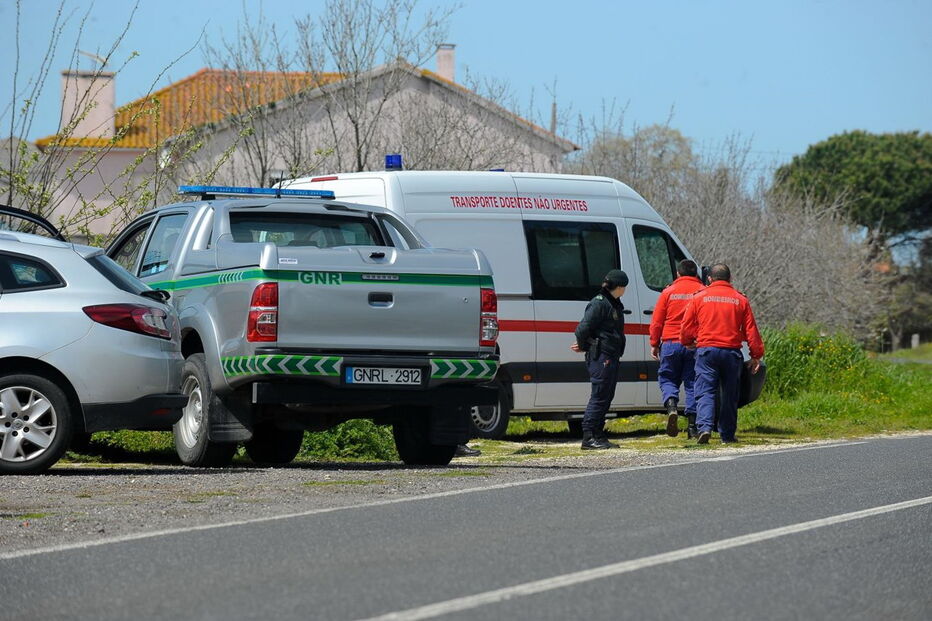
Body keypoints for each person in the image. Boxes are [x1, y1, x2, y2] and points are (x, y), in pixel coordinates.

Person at [680, 263, 764, 444]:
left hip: (707, 352)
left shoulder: (699, 297)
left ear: (710, 279)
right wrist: (756, 355)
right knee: (730, 394)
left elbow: (687, 325)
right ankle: (727, 435)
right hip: (731, 353)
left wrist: (687, 342)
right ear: (730, 278)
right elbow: (751, 330)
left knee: (705, 390)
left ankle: (704, 428)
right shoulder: (740, 300)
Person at [571, 269, 629, 450]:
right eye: (624, 287)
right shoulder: (599, 303)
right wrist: (584, 345)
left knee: (606, 395)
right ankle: (588, 436)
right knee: (599, 395)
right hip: (601, 355)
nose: (625, 290)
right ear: (619, 287)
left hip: (610, 354)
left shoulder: (612, 303)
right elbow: (582, 329)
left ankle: (598, 434)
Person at [649, 260, 704, 439]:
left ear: (678, 274)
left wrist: (654, 343)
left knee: (667, 378)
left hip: (670, 342)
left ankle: (672, 406)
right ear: (695, 274)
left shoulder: (668, 292)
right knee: (692, 383)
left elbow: (657, 321)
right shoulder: (702, 291)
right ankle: (692, 427)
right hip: (693, 344)